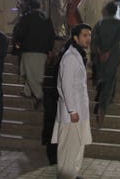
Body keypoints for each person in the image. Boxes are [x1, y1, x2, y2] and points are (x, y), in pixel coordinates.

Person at [51, 24, 92, 179]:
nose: (88, 38)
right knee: (68, 148)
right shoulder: (69, 58)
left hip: (79, 111)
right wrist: (72, 110)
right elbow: (66, 86)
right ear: (76, 37)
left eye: (89, 35)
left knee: (77, 146)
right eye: (85, 35)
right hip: (71, 113)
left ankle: (73, 174)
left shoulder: (78, 55)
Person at [13, 0, 55, 109]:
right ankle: (27, 91)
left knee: (30, 74)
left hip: (29, 49)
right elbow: (52, 35)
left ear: (30, 7)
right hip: (43, 51)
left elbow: (21, 33)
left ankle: (39, 96)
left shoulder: (26, 18)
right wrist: (50, 49)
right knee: (33, 73)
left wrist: (18, 43)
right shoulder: (47, 18)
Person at [91, 2, 120, 127]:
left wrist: (100, 51)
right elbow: (117, 40)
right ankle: (103, 106)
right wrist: (108, 52)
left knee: (104, 77)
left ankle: (106, 97)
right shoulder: (119, 23)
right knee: (110, 78)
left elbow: (94, 39)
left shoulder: (99, 23)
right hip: (113, 55)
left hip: (101, 55)